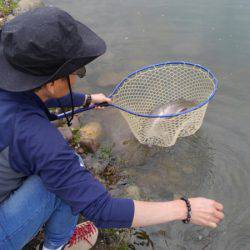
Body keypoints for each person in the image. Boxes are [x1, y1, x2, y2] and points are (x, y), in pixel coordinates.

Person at [0, 7, 224, 250]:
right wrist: (185, 208)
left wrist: (84, 99)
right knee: (65, 180)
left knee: (59, 172)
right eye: (78, 72)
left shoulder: (11, 81)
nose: (78, 75)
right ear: (53, 83)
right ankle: (56, 246)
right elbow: (102, 210)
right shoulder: (36, 136)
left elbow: (36, 94)